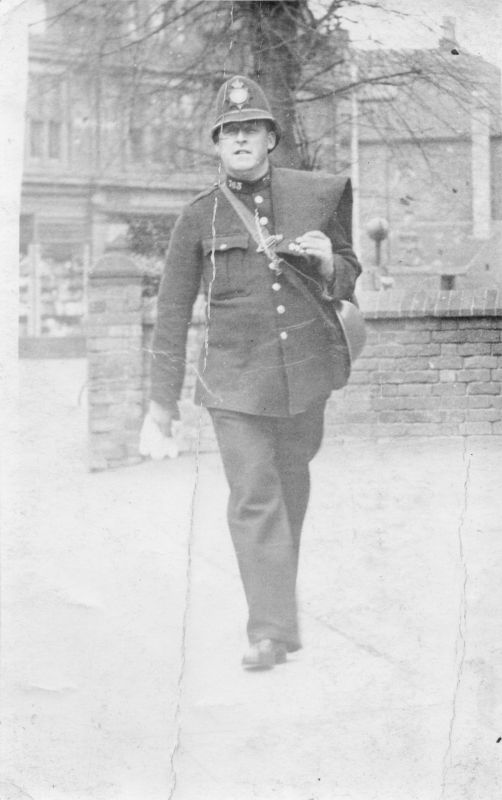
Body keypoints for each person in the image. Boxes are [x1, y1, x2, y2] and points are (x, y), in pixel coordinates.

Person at [148, 75, 362, 670]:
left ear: (270, 137)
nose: (240, 140)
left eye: (251, 129)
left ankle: (276, 611)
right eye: (229, 132)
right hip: (234, 384)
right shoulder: (198, 218)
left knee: (290, 485)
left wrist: (327, 262)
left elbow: (348, 269)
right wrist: (160, 405)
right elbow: (170, 312)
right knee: (254, 495)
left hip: (303, 375)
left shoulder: (315, 196)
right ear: (217, 146)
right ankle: (269, 631)